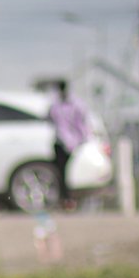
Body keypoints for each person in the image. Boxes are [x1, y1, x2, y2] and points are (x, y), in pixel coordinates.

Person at [48, 80, 92, 210]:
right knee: (61, 172)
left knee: (71, 172)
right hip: (60, 142)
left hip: (74, 143)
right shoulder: (55, 105)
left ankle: (70, 199)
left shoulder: (76, 105)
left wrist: (84, 140)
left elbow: (81, 124)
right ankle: (65, 200)